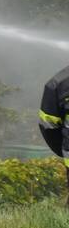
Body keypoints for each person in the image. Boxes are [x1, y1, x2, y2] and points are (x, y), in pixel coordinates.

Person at [39, 65, 69, 200]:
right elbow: (48, 124)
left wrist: (63, 149)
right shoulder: (57, 84)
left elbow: (49, 127)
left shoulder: (58, 82)